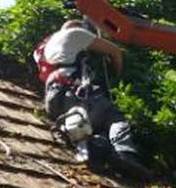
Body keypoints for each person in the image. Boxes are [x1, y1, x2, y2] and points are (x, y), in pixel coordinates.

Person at [33, 18, 148, 178]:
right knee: (113, 116)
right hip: (72, 93)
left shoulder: (46, 46)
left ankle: (99, 153)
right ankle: (124, 152)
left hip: (55, 100)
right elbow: (115, 52)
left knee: (97, 125)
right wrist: (117, 77)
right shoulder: (75, 33)